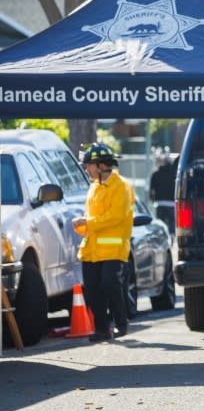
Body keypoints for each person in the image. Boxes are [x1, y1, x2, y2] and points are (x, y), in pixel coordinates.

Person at [72, 142, 134, 342]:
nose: (86, 169)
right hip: (92, 249)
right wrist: (82, 224)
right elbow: (95, 216)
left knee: (109, 284)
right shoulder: (95, 188)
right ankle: (101, 329)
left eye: (88, 165)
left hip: (113, 248)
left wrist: (87, 222)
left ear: (101, 165)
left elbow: (115, 216)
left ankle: (121, 323)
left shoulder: (121, 186)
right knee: (92, 290)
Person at [150, 152, 177, 238]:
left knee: (161, 223)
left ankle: (162, 238)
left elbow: (151, 190)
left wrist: (153, 200)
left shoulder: (155, 173)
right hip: (172, 203)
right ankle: (172, 237)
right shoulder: (174, 174)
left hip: (159, 202)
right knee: (172, 223)